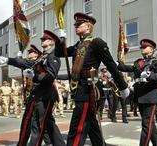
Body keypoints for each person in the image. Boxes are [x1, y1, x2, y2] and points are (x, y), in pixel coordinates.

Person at [55, 12, 129, 146]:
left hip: (88, 89)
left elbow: (111, 65)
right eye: (75, 24)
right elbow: (59, 53)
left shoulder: (97, 42)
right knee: (91, 125)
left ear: (88, 27)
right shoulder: (78, 45)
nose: (75, 26)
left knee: (78, 128)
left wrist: (123, 86)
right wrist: (61, 39)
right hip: (79, 88)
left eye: (79, 24)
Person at [0, 30, 65, 146]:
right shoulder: (44, 56)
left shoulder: (53, 56)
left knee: (41, 124)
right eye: (42, 39)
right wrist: (9, 60)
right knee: (41, 123)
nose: (42, 41)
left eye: (45, 39)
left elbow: (50, 76)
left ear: (52, 42)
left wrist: (35, 76)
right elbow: (26, 63)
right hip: (37, 95)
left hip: (45, 96)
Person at [117, 39, 157, 146]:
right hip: (140, 96)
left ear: (151, 49)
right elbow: (128, 68)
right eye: (141, 47)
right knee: (150, 124)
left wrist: (149, 75)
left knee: (146, 125)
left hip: (150, 97)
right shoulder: (139, 62)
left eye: (145, 47)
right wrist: (116, 64)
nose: (142, 48)